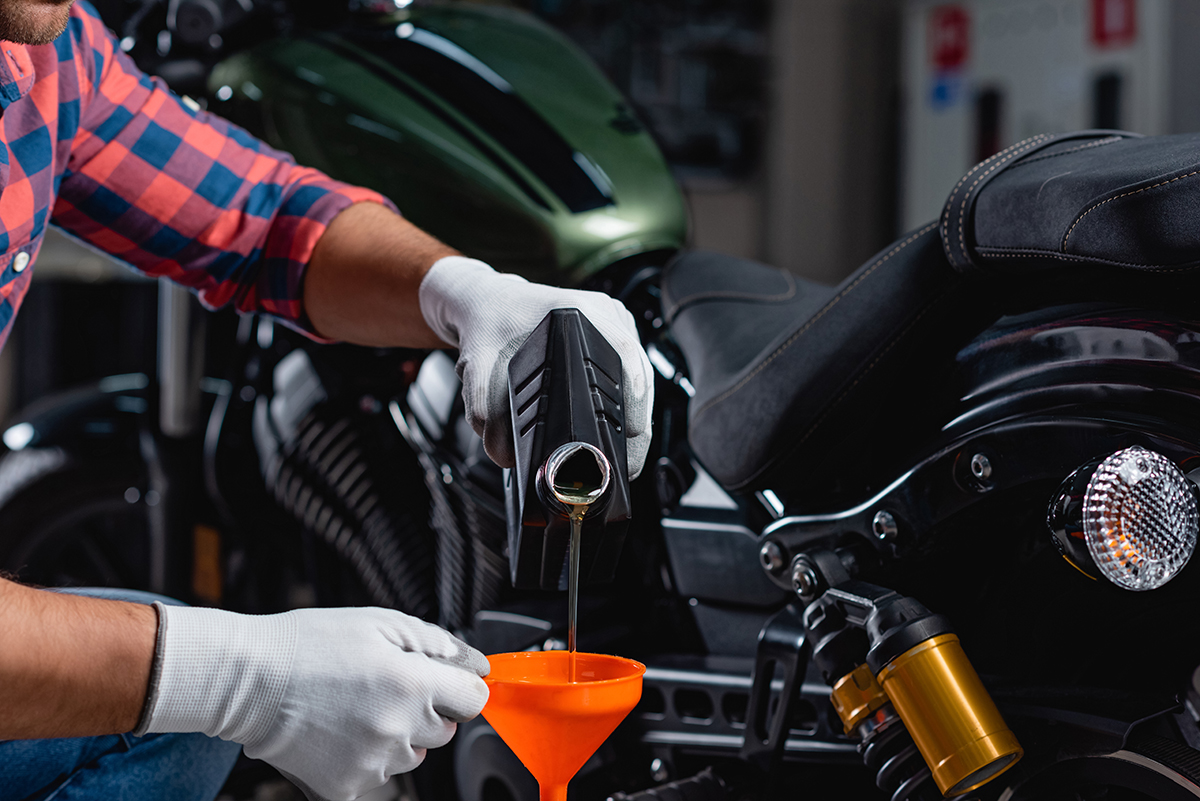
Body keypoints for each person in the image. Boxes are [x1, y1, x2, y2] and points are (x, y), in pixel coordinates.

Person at [0, 1, 654, 800]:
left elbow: (263, 219)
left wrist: (465, 292)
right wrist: (237, 676)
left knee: (171, 726)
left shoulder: (45, 54)